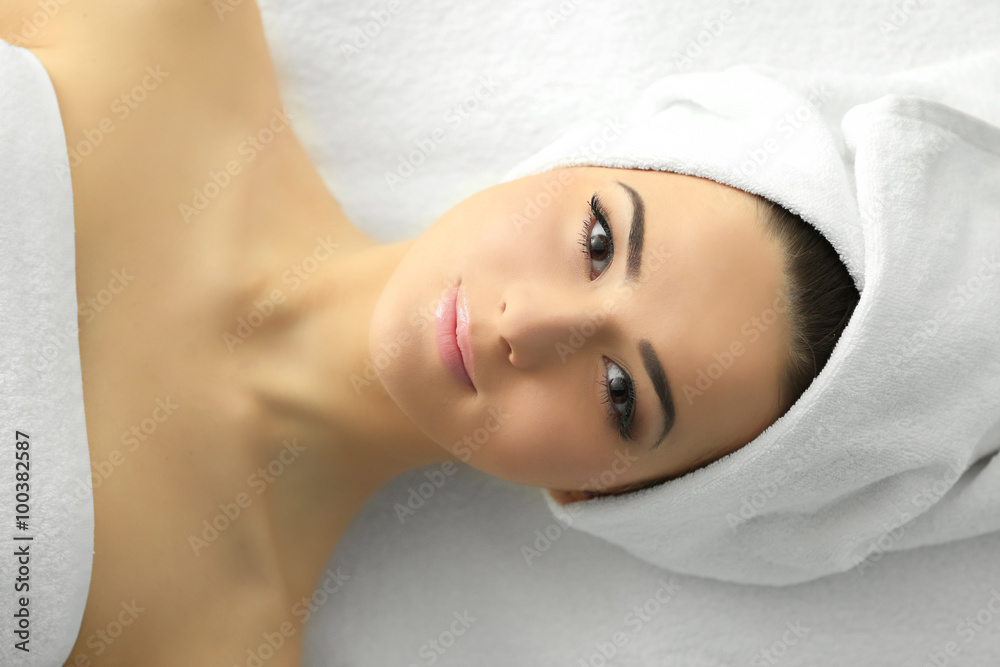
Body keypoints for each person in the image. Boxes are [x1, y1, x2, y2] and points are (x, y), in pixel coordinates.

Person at [1, 1, 856, 664]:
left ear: (605, 497)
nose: (531, 325)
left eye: (620, 393)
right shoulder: (169, 32)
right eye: (599, 241)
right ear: (582, 159)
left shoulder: (211, 643)